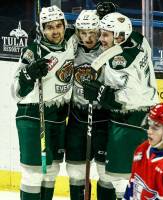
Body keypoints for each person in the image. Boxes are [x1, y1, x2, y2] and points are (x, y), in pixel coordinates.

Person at [82, 12, 159, 199]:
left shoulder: (119, 61)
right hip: (145, 118)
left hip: (128, 121)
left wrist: (100, 93)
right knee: (138, 176)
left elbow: (128, 97)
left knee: (121, 179)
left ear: (120, 36)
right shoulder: (139, 41)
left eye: (106, 35)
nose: (101, 38)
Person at [11, 5, 76, 200]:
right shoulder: (32, 52)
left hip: (58, 116)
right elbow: (16, 92)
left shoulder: (71, 42)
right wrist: (28, 74)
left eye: (58, 26)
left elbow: (87, 31)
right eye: (49, 27)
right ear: (41, 29)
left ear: (65, 25)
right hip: (32, 115)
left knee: (51, 170)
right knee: (34, 173)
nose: (55, 31)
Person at [65, 7, 118, 200]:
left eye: (92, 33)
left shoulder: (109, 49)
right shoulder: (70, 46)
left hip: (103, 117)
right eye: (83, 32)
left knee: (106, 173)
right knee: (76, 172)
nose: (87, 38)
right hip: (78, 116)